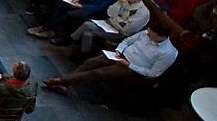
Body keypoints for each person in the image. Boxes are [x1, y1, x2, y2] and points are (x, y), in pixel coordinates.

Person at [43, 23, 178, 96]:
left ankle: (61, 81)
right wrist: (119, 50)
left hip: (131, 67)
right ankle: (66, 84)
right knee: (91, 62)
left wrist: (129, 65)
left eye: (151, 35)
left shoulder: (168, 53)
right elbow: (127, 41)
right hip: (120, 55)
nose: (147, 35)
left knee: (98, 73)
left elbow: (153, 73)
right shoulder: (145, 33)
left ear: (161, 37)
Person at [67, 0, 149, 56]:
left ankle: (71, 39)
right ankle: (84, 54)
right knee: (87, 33)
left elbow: (125, 28)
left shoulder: (142, 12)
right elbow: (110, 13)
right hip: (108, 24)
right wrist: (119, 3)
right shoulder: (124, 0)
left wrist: (114, 19)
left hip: (119, 34)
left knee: (87, 25)